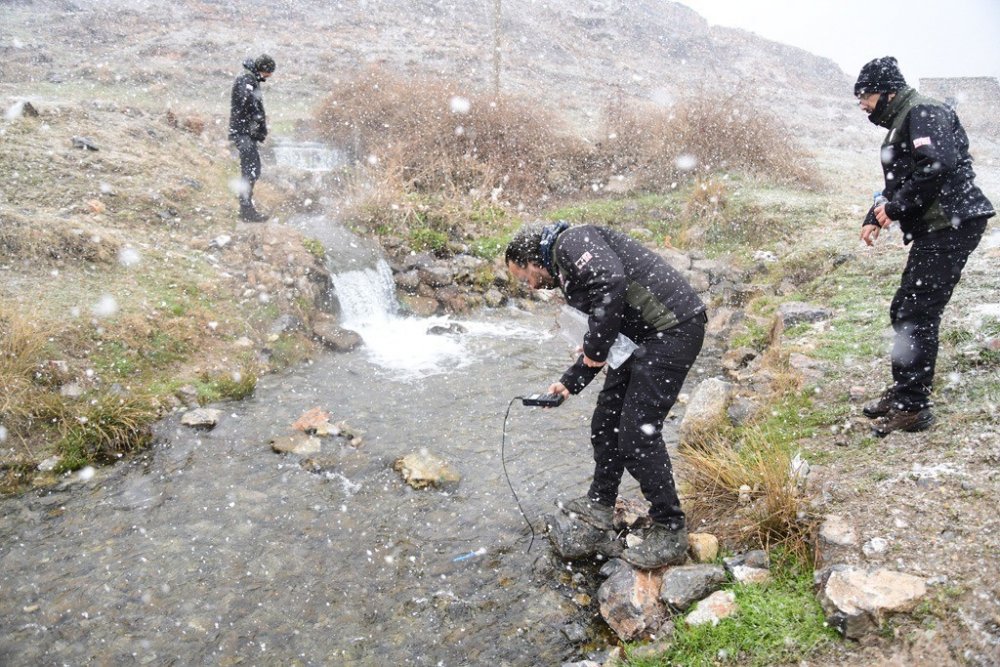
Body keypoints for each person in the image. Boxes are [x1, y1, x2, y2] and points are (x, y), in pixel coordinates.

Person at [505, 221, 707, 569]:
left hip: (672, 330)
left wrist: (595, 350)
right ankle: (600, 503)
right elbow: (605, 331)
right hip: (644, 340)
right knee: (606, 421)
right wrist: (569, 383)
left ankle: (670, 529)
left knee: (637, 435)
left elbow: (611, 284)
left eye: (524, 276)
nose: (530, 285)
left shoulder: (570, 242)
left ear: (532, 259)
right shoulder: (570, 273)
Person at [854, 56, 994, 437]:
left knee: (916, 313)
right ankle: (905, 391)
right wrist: (876, 214)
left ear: (887, 92)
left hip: (953, 223)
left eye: (865, 96)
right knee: (905, 308)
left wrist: (895, 210)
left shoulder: (923, 112)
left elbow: (935, 166)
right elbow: (904, 178)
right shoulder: (906, 118)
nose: (863, 105)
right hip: (939, 227)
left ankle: (912, 407)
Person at [229, 54, 276, 222]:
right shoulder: (247, 80)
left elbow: (248, 104)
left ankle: (246, 208)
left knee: (252, 170)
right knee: (251, 171)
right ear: (263, 69)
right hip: (244, 133)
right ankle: (246, 211)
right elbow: (247, 103)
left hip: (245, 133)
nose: (267, 78)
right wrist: (256, 121)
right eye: (267, 74)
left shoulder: (250, 79)